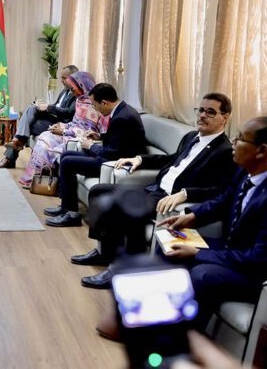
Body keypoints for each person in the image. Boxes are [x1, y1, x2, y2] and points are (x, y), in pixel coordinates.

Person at [98, 116, 267, 339]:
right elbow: (223, 201)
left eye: (241, 138)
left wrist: (198, 253)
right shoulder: (243, 171)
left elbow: (257, 259)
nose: (233, 143)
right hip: (229, 251)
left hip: (251, 273)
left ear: (261, 151)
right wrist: (191, 216)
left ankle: (175, 339)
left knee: (202, 274)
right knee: (170, 244)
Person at [73, 93, 236, 289]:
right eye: (200, 110)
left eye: (210, 112)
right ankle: (104, 253)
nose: (202, 115)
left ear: (225, 117)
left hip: (168, 199)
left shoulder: (225, 151)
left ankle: (121, 270)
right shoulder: (191, 137)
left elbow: (220, 189)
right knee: (99, 191)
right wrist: (139, 159)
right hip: (155, 189)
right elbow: (171, 159)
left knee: (122, 207)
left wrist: (185, 193)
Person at [45, 83, 147, 227]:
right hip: (112, 156)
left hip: (115, 163)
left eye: (94, 105)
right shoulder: (122, 110)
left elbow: (113, 153)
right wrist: (99, 136)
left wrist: (91, 146)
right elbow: (118, 138)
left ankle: (72, 214)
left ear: (104, 103)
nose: (94, 109)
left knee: (68, 163)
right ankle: (65, 207)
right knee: (66, 155)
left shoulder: (123, 117)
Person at [14, 71, 107, 188]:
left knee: (46, 141)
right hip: (69, 130)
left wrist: (64, 131)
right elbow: (74, 122)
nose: (71, 92)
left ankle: (40, 180)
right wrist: (61, 125)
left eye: (73, 88)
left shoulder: (95, 104)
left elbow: (89, 131)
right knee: (45, 135)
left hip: (78, 137)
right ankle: (34, 178)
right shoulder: (79, 100)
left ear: (81, 85)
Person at [0, 64, 79, 169]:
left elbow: (69, 113)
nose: (61, 80)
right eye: (62, 78)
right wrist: (42, 105)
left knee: (28, 125)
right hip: (53, 118)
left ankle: (13, 150)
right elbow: (56, 106)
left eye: (64, 78)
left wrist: (48, 107)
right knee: (32, 108)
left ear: (73, 78)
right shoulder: (64, 91)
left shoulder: (77, 94)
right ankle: (17, 143)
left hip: (60, 124)